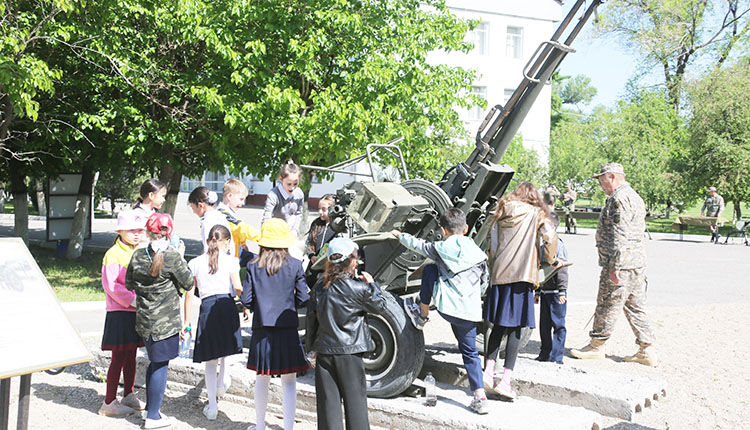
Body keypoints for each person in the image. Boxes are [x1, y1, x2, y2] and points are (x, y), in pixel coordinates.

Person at [392, 208, 490, 414]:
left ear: (443, 230)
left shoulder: (441, 248)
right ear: (466, 229)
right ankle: (480, 396)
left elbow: (419, 245)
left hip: (447, 308)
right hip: (469, 313)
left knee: (429, 269)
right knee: (470, 352)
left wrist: (400, 236)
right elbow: (484, 284)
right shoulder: (479, 254)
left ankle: (422, 314)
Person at [570, 163, 657, 367]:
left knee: (607, 303)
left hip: (621, 264)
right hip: (636, 263)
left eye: (602, 180)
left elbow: (620, 234)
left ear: (612, 177)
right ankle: (647, 348)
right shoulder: (635, 196)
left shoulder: (618, 199)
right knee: (636, 306)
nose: (601, 185)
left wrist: (615, 266)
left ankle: (597, 345)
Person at [483, 181, 557, 400]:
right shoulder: (536, 214)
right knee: (516, 328)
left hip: (500, 275)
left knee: (497, 325)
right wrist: (551, 259)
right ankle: (505, 381)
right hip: (523, 276)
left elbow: (493, 245)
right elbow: (550, 237)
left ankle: (487, 372)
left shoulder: (502, 208)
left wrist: (493, 265)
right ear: (533, 197)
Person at [305, 237, 387, 430]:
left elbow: (311, 322)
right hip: (351, 353)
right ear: (352, 261)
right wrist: (373, 284)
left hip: (325, 353)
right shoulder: (359, 288)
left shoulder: (319, 289)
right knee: (356, 406)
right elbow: (380, 306)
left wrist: (311, 350)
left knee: (328, 408)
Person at [240, 218, 309, 430]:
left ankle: (259, 425)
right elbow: (305, 298)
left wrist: (255, 306)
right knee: (289, 381)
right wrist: (292, 304)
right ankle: (288, 427)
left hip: (262, 328)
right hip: (287, 327)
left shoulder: (253, 266)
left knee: (262, 378)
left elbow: (246, 299)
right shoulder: (296, 265)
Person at [126, 213, 193, 429]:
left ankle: (150, 409)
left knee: (154, 363)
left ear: (147, 232)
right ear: (169, 233)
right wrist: (180, 255)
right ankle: (153, 416)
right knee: (160, 366)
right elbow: (189, 282)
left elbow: (129, 284)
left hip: (145, 321)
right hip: (166, 323)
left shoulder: (137, 256)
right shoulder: (172, 258)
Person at [184, 224, 245, 420]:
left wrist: (186, 320)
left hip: (207, 307)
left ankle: (211, 406)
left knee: (210, 360)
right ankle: (223, 381)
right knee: (226, 349)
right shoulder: (232, 261)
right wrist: (247, 305)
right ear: (226, 241)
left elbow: (188, 293)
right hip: (227, 305)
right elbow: (237, 287)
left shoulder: (195, 262)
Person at [98, 210, 148, 418]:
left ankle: (128, 394)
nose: (136, 234)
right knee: (118, 357)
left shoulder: (140, 251)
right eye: (131, 230)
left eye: (139, 230)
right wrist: (133, 300)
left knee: (131, 356)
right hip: (120, 311)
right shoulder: (113, 254)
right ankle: (109, 401)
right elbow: (110, 285)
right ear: (120, 231)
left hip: (136, 311)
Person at [535, 212, 569, 364]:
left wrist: (562, 291)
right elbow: (540, 270)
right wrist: (537, 290)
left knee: (558, 324)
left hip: (556, 292)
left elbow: (562, 270)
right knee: (544, 325)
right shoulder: (543, 247)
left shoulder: (558, 245)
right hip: (545, 291)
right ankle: (545, 353)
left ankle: (557, 356)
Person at [217, 179, 260, 264]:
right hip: (229, 256)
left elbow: (236, 231)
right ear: (229, 196)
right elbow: (243, 228)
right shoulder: (223, 214)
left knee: (257, 260)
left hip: (236, 250)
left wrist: (243, 243)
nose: (243, 203)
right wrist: (264, 238)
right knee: (259, 263)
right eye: (241, 199)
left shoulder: (228, 212)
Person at [261, 160, 305, 237]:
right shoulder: (274, 195)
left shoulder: (299, 193)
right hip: (274, 233)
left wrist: (295, 230)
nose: (292, 187)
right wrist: (266, 234)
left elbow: (299, 213)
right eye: (289, 184)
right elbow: (267, 216)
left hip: (290, 233)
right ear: (281, 179)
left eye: (295, 184)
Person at [189, 186, 233, 255]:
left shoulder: (207, 222)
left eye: (192, 207)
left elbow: (208, 248)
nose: (193, 212)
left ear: (200, 205)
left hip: (214, 260)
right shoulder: (222, 216)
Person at [305, 194, 336, 286]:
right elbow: (308, 243)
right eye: (319, 209)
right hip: (313, 270)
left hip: (329, 272)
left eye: (324, 209)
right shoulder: (316, 224)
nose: (320, 212)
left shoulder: (339, 228)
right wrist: (311, 256)